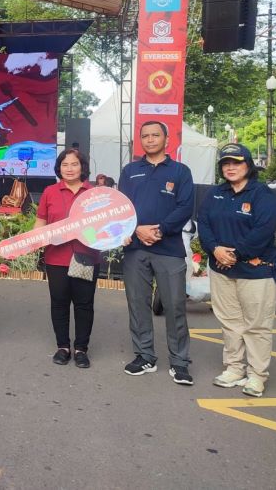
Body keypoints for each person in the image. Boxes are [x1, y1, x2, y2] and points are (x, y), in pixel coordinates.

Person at [197, 143, 276, 397]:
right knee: (230, 323)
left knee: (257, 325)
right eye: (226, 163)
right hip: (221, 269)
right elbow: (205, 224)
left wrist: (233, 255)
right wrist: (214, 250)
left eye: (236, 162)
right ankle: (234, 368)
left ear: (248, 165)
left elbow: (263, 232)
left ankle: (257, 376)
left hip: (256, 272)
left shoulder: (262, 194)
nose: (231, 167)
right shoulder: (216, 193)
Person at [118, 121, 195, 385]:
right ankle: (145, 356)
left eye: (155, 135)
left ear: (166, 139)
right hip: (135, 249)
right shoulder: (130, 171)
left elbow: (185, 207)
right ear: (140, 140)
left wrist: (160, 230)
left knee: (174, 306)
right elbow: (122, 207)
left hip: (169, 249)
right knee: (138, 304)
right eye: (145, 136)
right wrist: (137, 229)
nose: (150, 140)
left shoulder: (180, 171)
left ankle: (180, 362)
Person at [36, 149, 101, 368]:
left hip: (87, 256)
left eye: (74, 164)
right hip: (56, 258)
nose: (70, 168)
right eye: (65, 165)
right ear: (59, 168)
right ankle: (62, 347)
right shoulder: (50, 192)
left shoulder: (94, 193)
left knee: (84, 304)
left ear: (82, 167)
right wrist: (36, 242)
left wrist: (90, 236)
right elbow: (41, 223)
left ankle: (81, 349)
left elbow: (101, 227)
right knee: (59, 303)